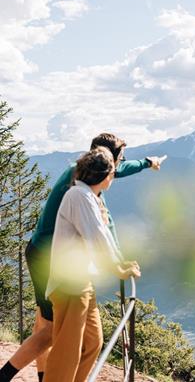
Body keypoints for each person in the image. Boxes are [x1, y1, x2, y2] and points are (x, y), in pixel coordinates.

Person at [0, 133, 166, 382]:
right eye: (119, 160)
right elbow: (100, 231)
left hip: (62, 262)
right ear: (106, 165)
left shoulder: (87, 186)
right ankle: (12, 375)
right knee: (55, 329)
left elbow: (105, 226)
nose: (119, 167)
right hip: (50, 258)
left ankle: (39, 376)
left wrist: (146, 162)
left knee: (76, 335)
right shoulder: (80, 189)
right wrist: (117, 265)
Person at [43, 146, 140, 382]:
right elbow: (96, 236)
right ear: (106, 175)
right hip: (70, 285)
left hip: (81, 283)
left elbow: (101, 234)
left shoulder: (87, 196)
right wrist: (117, 268)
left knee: (92, 343)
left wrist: (119, 262)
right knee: (67, 352)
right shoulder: (80, 197)